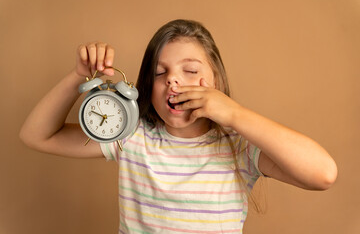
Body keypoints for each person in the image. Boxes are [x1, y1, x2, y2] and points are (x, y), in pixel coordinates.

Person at [20, 19, 337, 233]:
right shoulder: (132, 136)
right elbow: (36, 136)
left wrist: (234, 114)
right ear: (148, 87)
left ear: (215, 81)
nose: (172, 79)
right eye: (161, 73)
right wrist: (79, 75)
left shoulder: (240, 147)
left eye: (190, 70)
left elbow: (323, 174)